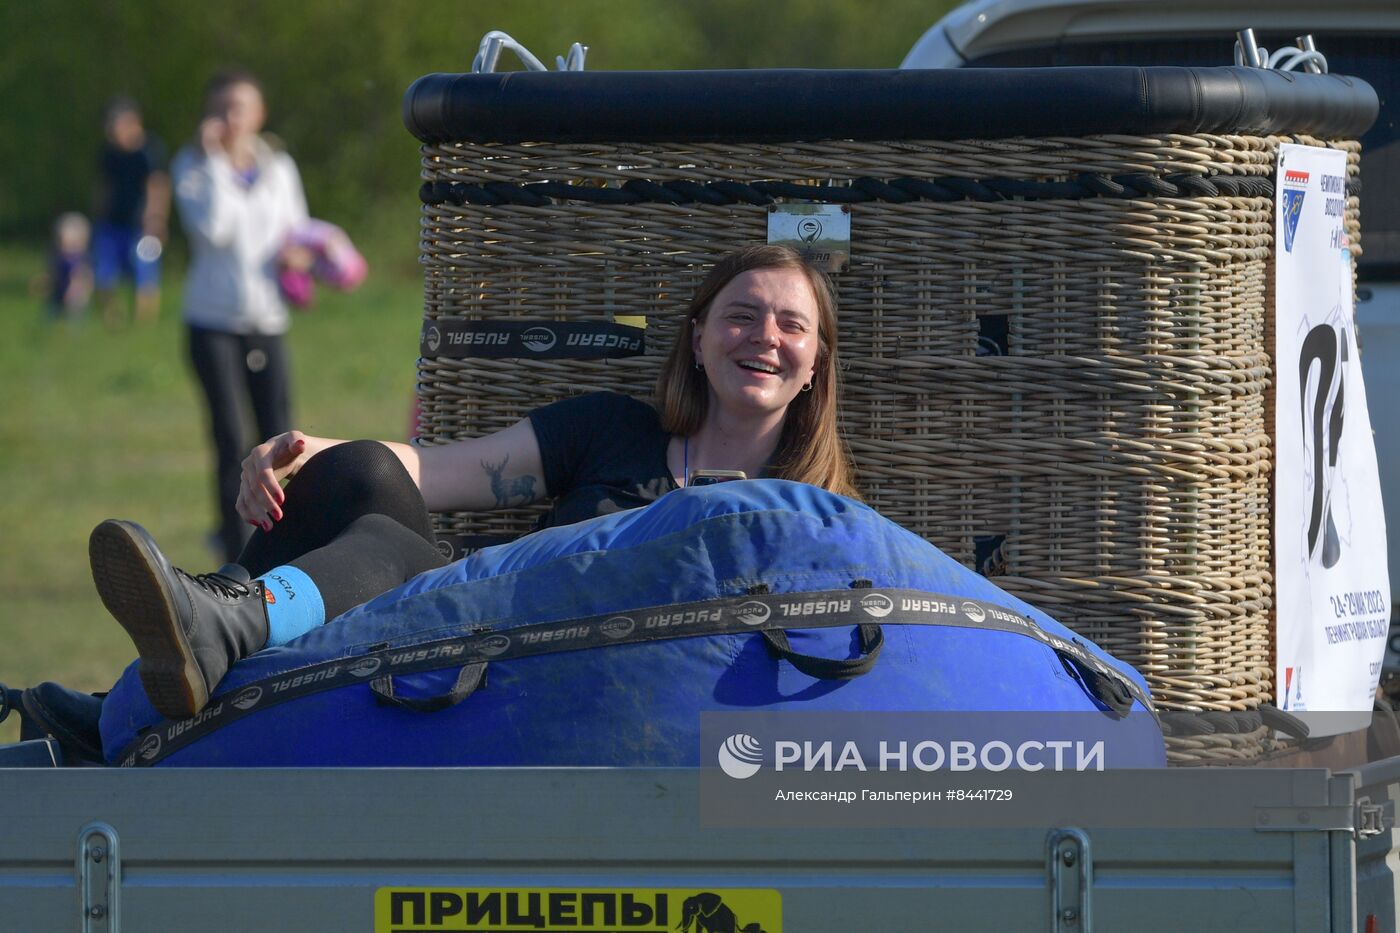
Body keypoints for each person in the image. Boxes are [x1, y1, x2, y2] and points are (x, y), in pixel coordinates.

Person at [26, 246, 859, 759]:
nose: (765, 336)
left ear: (816, 363)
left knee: (395, 555)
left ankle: (191, 651)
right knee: (363, 477)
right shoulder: (615, 431)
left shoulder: (812, 516)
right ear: (700, 337)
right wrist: (314, 452)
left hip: (576, 689)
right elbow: (437, 470)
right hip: (474, 636)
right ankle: (179, 660)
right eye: (741, 315)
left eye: (792, 325)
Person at [171, 69, 309, 563]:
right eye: (222, 108)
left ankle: (283, 543)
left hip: (267, 319)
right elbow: (215, 229)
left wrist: (304, 255)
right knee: (231, 437)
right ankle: (236, 552)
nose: (232, 118)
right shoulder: (190, 167)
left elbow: (297, 229)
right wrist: (215, 163)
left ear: (259, 114)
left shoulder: (279, 167)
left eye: (241, 107)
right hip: (213, 324)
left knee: (281, 435)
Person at [92, 97, 169, 327]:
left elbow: (158, 185)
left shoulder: (149, 151)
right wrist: (96, 217)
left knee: (144, 274)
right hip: (111, 224)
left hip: (142, 226)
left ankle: (143, 325)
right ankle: (112, 320)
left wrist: (157, 219)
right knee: (104, 273)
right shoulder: (108, 152)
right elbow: (102, 187)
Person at [46, 212, 94, 320]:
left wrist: (77, 290)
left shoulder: (78, 260)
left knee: (74, 316)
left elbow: (80, 276)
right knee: (52, 312)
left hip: (75, 293)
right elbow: (53, 273)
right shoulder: (58, 258)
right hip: (58, 291)